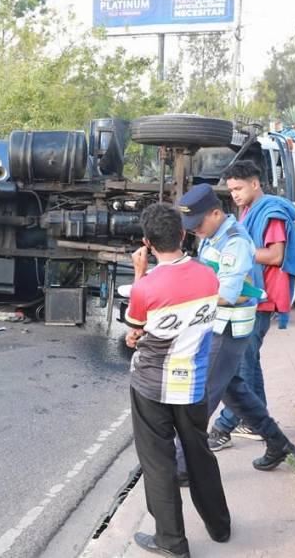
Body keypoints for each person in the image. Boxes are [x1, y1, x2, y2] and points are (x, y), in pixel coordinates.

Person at [125, 203, 230, 558]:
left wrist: (140, 272)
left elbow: (136, 326)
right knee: (198, 453)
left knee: (159, 463)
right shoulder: (209, 276)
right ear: (183, 235)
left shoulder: (147, 286)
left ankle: (171, 542)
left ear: (147, 243)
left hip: (152, 386)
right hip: (194, 384)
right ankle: (219, 525)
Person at [175, 184, 295, 472]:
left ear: (216, 213)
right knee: (234, 391)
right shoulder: (213, 235)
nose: (196, 231)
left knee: (202, 395)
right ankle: (278, 443)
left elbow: (226, 293)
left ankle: (180, 467)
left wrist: (183, 298)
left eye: (198, 224)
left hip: (229, 329)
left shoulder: (234, 242)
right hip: (215, 326)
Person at [210, 160, 295, 446]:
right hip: (251, 298)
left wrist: (236, 253)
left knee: (238, 367)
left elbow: (275, 256)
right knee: (247, 363)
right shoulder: (247, 212)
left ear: (255, 183)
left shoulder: (272, 213)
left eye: (239, 188)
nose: (235, 195)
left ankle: (223, 427)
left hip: (261, 298)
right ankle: (261, 425)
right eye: (231, 190)